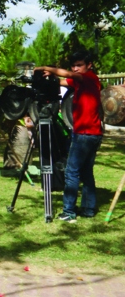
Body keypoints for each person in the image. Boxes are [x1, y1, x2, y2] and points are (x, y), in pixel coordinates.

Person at [37, 50, 103, 222]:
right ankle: (88, 209)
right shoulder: (81, 82)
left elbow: (68, 75)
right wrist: (47, 79)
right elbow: (63, 80)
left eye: (79, 65)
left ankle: (69, 212)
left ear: (89, 65)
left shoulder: (89, 77)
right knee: (86, 172)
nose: (75, 68)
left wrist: (47, 68)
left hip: (84, 134)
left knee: (72, 172)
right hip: (92, 133)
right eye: (73, 66)